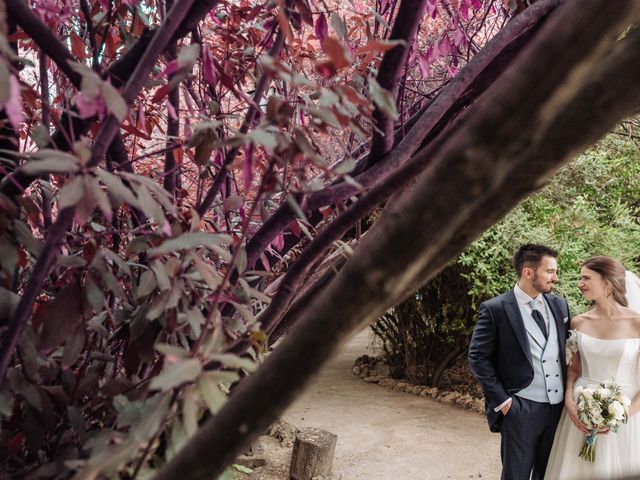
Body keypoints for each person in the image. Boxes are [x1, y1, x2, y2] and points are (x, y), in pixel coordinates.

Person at [468, 244, 571, 480]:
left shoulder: (559, 305)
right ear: (528, 272)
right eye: (550, 271)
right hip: (521, 408)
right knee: (516, 475)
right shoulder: (496, 309)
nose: (555, 278)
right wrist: (504, 402)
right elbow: (477, 357)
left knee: (549, 473)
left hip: (557, 408)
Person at [543, 256, 640, 479]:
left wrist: (621, 417)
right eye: (580, 278)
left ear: (606, 282)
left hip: (628, 416)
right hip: (581, 410)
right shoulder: (579, 322)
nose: (580, 283)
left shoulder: (637, 323)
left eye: (586, 278)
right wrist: (569, 401)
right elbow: (574, 369)